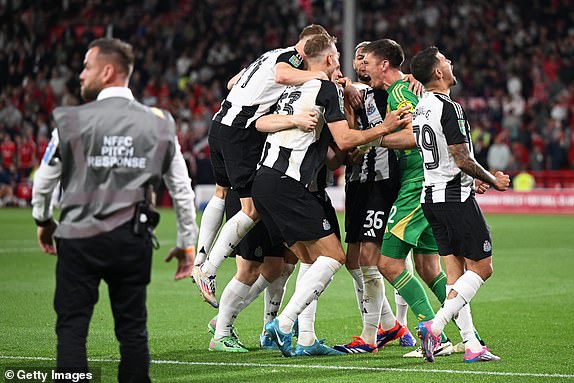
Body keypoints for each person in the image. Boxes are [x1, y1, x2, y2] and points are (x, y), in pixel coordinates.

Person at [31, 38, 198, 382]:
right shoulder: (160, 122)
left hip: (78, 239)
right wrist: (186, 243)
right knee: (132, 332)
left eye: (86, 67)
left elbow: (44, 181)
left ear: (107, 71)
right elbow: (181, 189)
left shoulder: (72, 120)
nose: (80, 75)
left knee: (72, 329)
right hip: (131, 238)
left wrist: (43, 220)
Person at [252, 33, 411, 357]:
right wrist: (381, 127)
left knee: (314, 260)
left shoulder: (297, 88)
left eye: (364, 59)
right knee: (336, 257)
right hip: (292, 183)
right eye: (342, 56)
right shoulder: (327, 88)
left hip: (269, 180)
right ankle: (283, 325)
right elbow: (345, 142)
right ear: (328, 60)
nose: (350, 63)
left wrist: (410, 79)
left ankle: (309, 338)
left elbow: (260, 122)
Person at [191, 24, 349, 308]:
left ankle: (200, 259)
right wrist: (319, 76)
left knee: (221, 191)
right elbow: (282, 75)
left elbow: (231, 83)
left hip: (221, 124)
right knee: (250, 209)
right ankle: (209, 269)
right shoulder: (290, 60)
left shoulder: (269, 54)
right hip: (241, 131)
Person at [409, 46, 509, 363]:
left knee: (455, 275)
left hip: (432, 198)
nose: (451, 64)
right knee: (482, 267)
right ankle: (435, 327)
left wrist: (471, 178)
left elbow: (445, 160)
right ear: (438, 72)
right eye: (446, 61)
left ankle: (472, 344)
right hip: (454, 197)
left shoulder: (421, 108)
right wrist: (491, 180)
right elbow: (461, 158)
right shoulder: (448, 107)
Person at [361, 39, 455, 358]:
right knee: (429, 268)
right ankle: (470, 337)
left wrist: (380, 137)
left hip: (417, 183)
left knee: (387, 262)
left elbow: (419, 135)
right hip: (425, 182)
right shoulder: (398, 91)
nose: (364, 69)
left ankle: (434, 334)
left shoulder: (401, 92)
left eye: (368, 63)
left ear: (384, 65)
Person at [334, 41, 416, 354]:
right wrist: (345, 91)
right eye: (357, 58)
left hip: (383, 182)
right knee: (353, 260)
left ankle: (369, 337)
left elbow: (406, 91)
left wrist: (414, 78)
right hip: (355, 182)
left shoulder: (395, 89)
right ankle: (391, 325)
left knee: (372, 256)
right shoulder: (351, 92)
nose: (361, 64)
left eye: (366, 59)